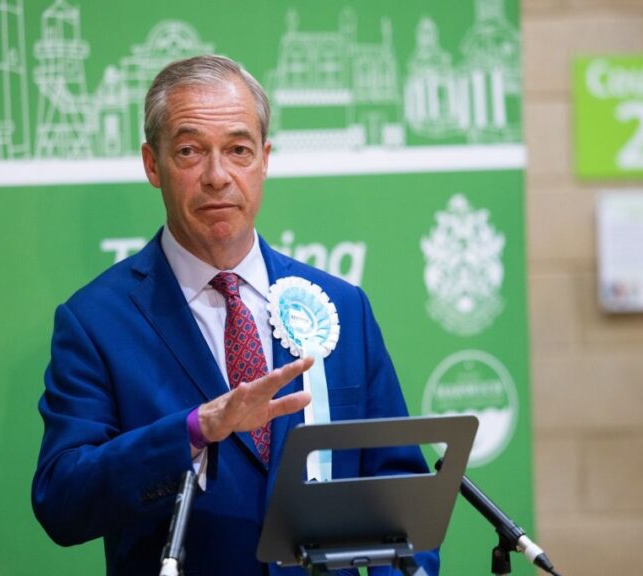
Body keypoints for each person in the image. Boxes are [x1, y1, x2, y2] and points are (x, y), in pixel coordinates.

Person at [32, 54, 438, 576]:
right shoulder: (95, 322)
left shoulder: (342, 307)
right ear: (152, 165)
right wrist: (194, 431)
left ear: (264, 159)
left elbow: (398, 495)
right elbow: (63, 501)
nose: (217, 176)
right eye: (189, 151)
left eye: (238, 150)